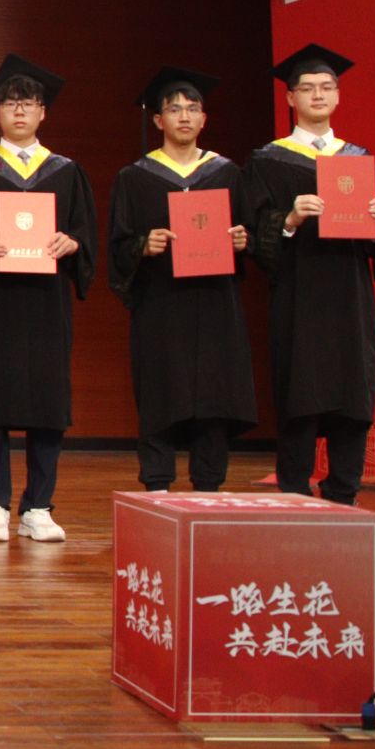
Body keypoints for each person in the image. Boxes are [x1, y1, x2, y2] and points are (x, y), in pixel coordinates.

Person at [241, 44, 375, 504]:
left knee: (353, 395)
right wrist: (288, 219)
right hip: (300, 294)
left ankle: (344, 497)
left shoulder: (359, 160)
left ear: (338, 96)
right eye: (307, 88)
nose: (318, 95)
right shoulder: (268, 162)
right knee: (300, 393)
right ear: (291, 98)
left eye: (327, 87)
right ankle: (293, 496)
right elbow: (252, 234)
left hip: (350, 296)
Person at [0, 54, 96, 544]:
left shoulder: (66, 171)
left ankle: (38, 505)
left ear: (43, 112)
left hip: (45, 301)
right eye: (10, 103)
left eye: (29, 103)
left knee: (47, 401)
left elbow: (84, 235)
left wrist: (72, 244)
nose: (19, 110)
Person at [107, 67, 255, 493]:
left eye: (192, 109)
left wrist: (243, 240)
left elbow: (249, 235)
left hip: (215, 303)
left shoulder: (228, 173)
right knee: (160, 389)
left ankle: (209, 485)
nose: (184, 116)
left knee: (214, 394)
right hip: (162, 304)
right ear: (158, 120)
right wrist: (143, 245)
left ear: (204, 119)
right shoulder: (135, 177)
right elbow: (117, 247)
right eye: (174, 110)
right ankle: (157, 483)